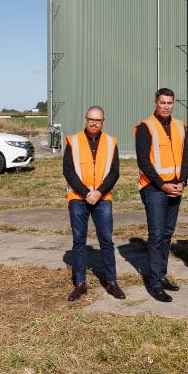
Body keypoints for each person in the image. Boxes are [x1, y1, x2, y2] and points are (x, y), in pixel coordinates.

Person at [63, 105, 125, 301]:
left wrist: (99, 193)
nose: (94, 122)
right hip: (78, 199)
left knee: (106, 240)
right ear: (85, 119)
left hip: (102, 198)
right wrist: (85, 192)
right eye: (91, 119)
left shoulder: (111, 141)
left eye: (98, 120)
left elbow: (114, 172)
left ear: (103, 122)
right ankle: (80, 283)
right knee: (79, 240)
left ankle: (111, 282)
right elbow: (68, 170)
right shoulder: (73, 141)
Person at [134, 88, 188, 302]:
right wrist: (163, 185)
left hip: (175, 187)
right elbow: (144, 162)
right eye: (162, 102)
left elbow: (185, 158)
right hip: (155, 189)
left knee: (167, 234)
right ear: (154, 103)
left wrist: (182, 181)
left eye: (169, 102)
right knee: (156, 235)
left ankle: (162, 275)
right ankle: (154, 283)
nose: (166, 106)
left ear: (174, 103)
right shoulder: (145, 127)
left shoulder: (180, 126)